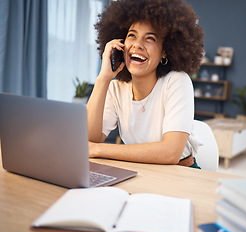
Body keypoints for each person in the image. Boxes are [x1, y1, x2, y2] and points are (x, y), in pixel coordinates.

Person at [87, 0, 204, 168]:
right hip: (139, 169)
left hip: (180, 171)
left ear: (165, 50)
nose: (137, 45)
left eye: (150, 38)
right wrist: (103, 78)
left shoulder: (177, 81)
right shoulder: (116, 88)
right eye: (132, 35)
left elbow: (171, 152)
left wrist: (99, 150)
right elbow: (89, 140)